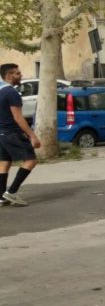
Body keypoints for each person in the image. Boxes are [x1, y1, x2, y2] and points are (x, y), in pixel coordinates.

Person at [0, 63, 41, 206]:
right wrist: (32, 136)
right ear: (9, 75)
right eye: (17, 73)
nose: (21, 75)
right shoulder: (11, 93)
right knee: (30, 160)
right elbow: (18, 117)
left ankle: (1, 197)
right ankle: (11, 192)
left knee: (4, 163)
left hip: (2, 133)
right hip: (12, 132)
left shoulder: (0, 91)